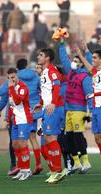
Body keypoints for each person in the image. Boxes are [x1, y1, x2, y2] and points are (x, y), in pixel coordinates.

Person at [0, 59, 44, 176]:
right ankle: (38, 164)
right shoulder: (35, 76)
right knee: (32, 138)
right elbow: (42, 90)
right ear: (27, 65)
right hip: (34, 111)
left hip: (19, 113)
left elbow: (2, 93)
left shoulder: (12, 79)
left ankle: (19, 166)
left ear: (17, 69)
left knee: (17, 142)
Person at [75, 47, 101, 182]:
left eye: (94, 58)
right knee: (98, 138)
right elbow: (87, 65)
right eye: (92, 58)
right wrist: (81, 55)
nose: (92, 60)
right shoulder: (94, 72)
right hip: (96, 108)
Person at [59, 39, 93, 173]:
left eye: (78, 61)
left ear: (82, 64)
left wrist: (89, 112)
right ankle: (77, 163)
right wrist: (61, 44)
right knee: (69, 138)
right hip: (69, 110)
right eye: (74, 61)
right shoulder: (71, 73)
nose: (74, 63)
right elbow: (64, 59)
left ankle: (86, 162)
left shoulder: (85, 76)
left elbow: (89, 94)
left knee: (78, 137)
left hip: (79, 110)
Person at [34, 48, 66, 184]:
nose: (38, 57)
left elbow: (57, 86)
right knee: (47, 139)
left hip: (54, 108)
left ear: (47, 58)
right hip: (48, 108)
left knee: (50, 138)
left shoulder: (52, 71)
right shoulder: (45, 72)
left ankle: (58, 171)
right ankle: (55, 170)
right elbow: (47, 91)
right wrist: (41, 103)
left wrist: (52, 103)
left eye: (40, 55)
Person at [4, 68, 33, 181]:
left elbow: (17, 101)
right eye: (9, 78)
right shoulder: (10, 89)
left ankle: (27, 170)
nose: (11, 80)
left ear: (17, 76)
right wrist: (8, 120)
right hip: (15, 120)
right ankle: (21, 168)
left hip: (24, 119)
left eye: (13, 77)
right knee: (15, 144)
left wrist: (11, 87)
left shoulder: (23, 88)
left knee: (22, 144)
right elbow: (11, 106)